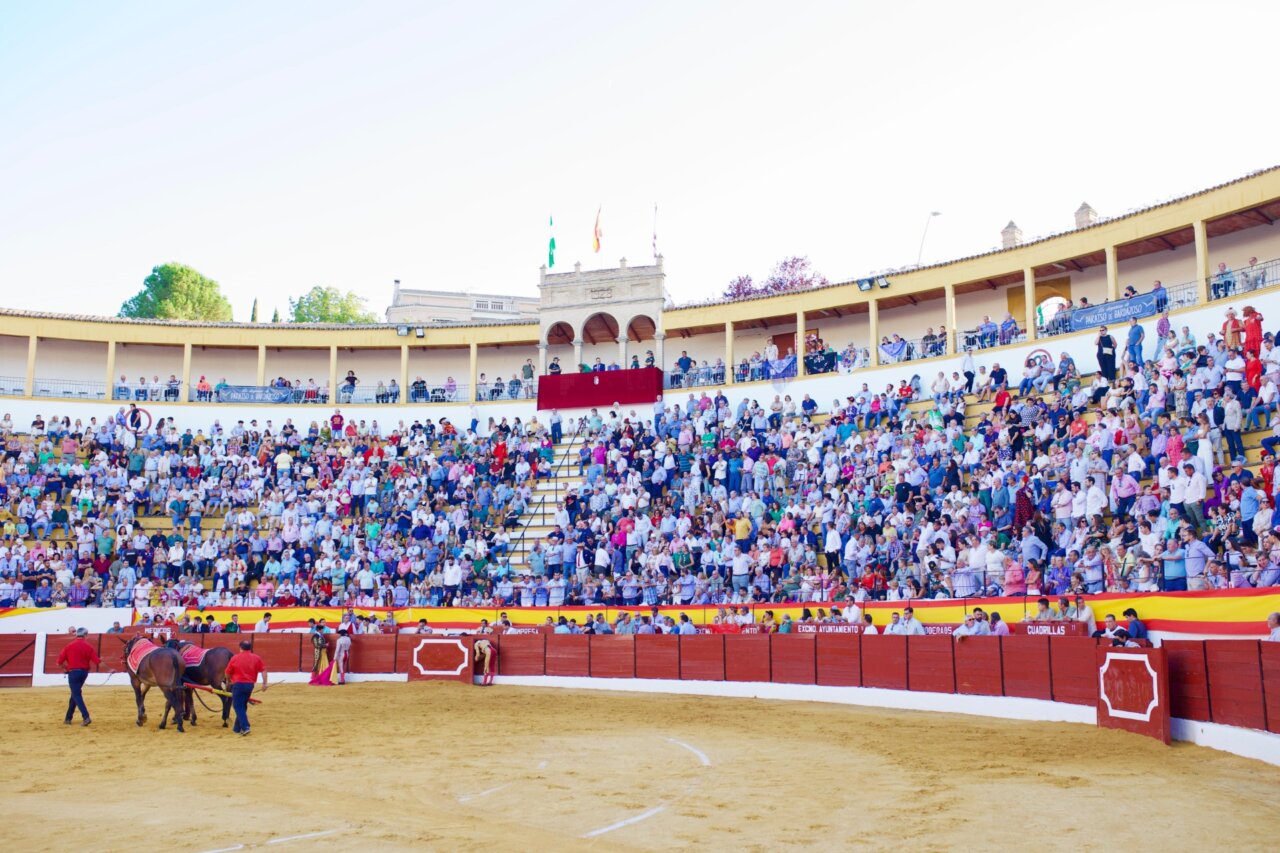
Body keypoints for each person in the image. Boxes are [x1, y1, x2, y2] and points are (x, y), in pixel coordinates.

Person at [57, 627, 99, 726]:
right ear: (86, 635)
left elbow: (59, 662)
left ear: (76, 635)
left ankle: (86, 717)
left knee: (76, 695)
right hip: (84, 673)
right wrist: (110, 669)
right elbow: (97, 661)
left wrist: (65, 668)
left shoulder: (69, 646)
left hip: (73, 673)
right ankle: (68, 718)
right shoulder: (88, 646)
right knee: (74, 694)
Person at [226, 640, 267, 736]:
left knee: (237, 706)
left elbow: (227, 672)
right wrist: (264, 683)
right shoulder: (256, 658)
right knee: (243, 705)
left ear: (240, 648)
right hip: (250, 685)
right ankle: (237, 728)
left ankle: (245, 726)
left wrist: (228, 681)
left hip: (238, 684)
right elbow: (264, 670)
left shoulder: (235, 658)